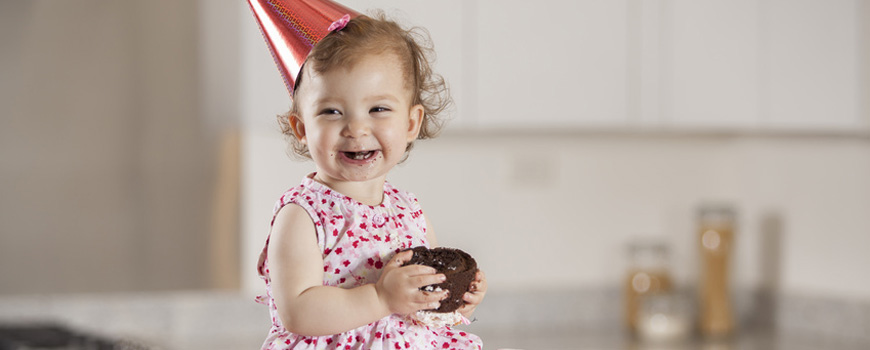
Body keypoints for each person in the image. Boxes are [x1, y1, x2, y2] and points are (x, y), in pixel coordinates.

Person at [253, 10, 486, 350]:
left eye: (378, 109)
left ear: (410, 123)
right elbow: (298, 312)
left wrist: (452, 298)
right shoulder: (302, 215)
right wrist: (380, 298)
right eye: (331, 111)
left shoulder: (409, 210)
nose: (356, 129)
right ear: (302, 128)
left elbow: (419, 295)